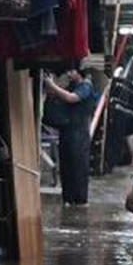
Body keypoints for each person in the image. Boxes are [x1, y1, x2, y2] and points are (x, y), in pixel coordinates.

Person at [43, 66, 97, 206]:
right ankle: (68, 198)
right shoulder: (73, 85)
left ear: (79, 73)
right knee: (66, 166)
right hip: (68, 130)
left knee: (77, 167)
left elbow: (71, 98)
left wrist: (52, 86)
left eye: (71, 71)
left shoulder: (85, 86)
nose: (68, 74)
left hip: (79, 133)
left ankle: (79, 200)